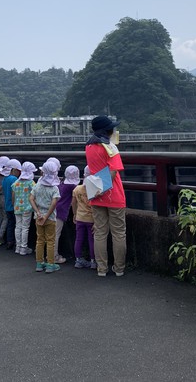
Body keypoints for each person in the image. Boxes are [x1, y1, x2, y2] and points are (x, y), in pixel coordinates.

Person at [85, 115, 127, 278]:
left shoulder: (88, 146)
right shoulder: (110, 147)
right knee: (118, 233)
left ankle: (101, 269)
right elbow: (113, 170)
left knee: (100, 232)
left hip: (95, 194)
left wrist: (98, 191)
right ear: (108, 131)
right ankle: (119, 268)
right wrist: (104, 188)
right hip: (113, 194)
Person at [30, 161, 61, 273]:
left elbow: (31, 198)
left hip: (38, 217)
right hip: (50, 217)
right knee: (50, 241)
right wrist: (46, 216)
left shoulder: (37, 185)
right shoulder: (54, 188)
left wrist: (38, 212)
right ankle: (50, 264)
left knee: (40, 240)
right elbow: (54, 203)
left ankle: (39, 263)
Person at [72, 166, 96, 269]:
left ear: (83, 176)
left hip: (79, 217)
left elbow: (73, 203)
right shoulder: (94, 190)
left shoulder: (77, 189)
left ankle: (78, 260)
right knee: (92, 240)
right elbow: (96, 207)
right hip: (91, 219)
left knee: (79, 239)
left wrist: (74, 214)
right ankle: (93, 261)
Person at [54, 165, 79, 264]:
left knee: (53, 233)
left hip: (55, 209)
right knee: (56, 234)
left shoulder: (62, 183)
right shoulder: (72, 186)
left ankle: (51, 254)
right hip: (61, 212)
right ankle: (54, 256)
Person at [12, 161, 36, 255]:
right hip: (27, 207)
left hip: (17, 207)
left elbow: (13, 195)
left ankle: (17, 247)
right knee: (25, 228)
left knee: (18, 227)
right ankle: (23, 247)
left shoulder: (16, 182)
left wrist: (14, 204)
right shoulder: (31, 182)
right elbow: (35, 193)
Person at [2, 159, 21, 250]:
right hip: (13, 205)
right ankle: (16, 242)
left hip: (7, 205)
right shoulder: (14, 179)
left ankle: (9, 241)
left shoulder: (5, 179)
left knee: (10, 224)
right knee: (16, 225)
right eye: (18, 171)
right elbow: (15, 192)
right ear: (14, 170)